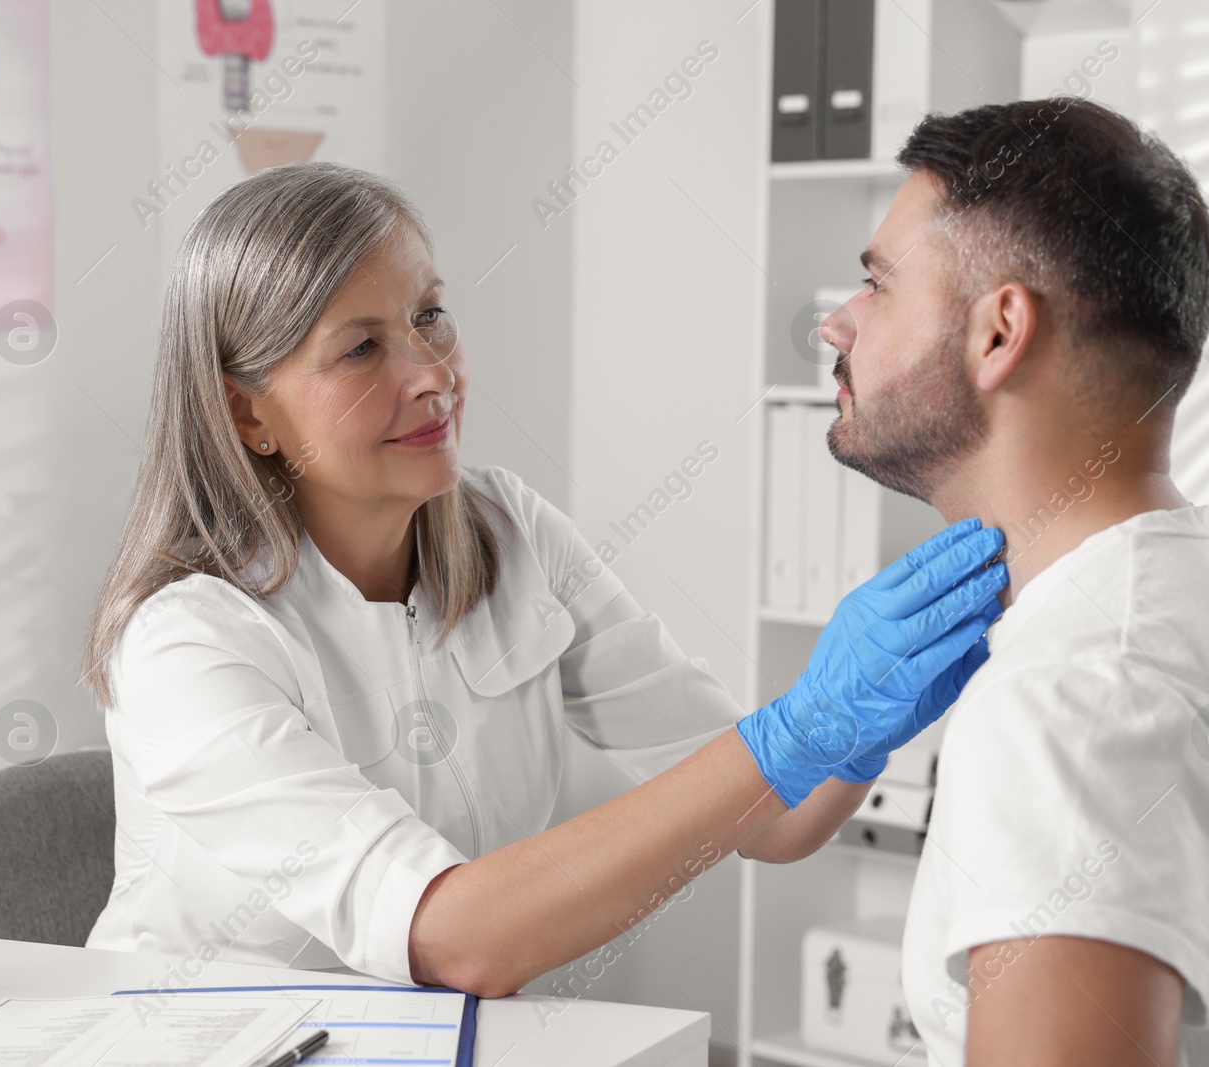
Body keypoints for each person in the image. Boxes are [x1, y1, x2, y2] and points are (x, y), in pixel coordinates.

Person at [78, 161, 1006, 996]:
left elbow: (767, 823)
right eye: (361, 349)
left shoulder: (506, 530)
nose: (432, 375)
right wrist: (791, 732)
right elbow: (455, 937)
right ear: (249, 414)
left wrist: (853, 734)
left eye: (429, 316)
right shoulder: (185, 642)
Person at [816, 97, 1209, 1065]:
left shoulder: (1078, 690)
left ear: (997, 332)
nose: (835, 322)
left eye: (878, 285)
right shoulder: (1165, 590)